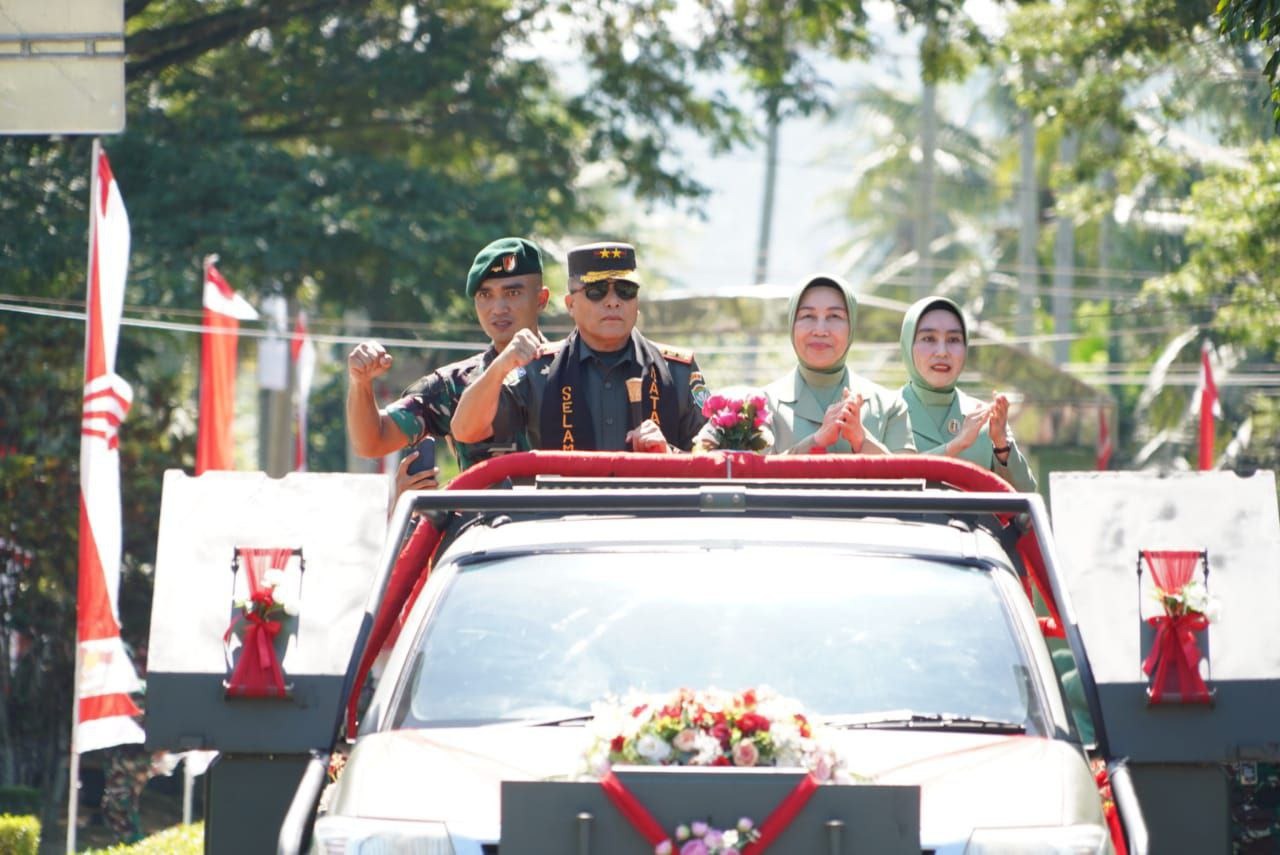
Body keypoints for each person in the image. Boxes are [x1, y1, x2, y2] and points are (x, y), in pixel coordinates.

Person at [452, 241, 710, 452]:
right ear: (570, 304)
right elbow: (466, 431)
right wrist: (500, 367)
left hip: (654, 513)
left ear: (637, 301)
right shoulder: (537, 369)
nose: (612, 302)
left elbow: (718, 457)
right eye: (596, 291)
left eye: (625, 290)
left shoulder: (677, 370)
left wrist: (669, 454)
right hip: (564, 513)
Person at [346, 236, 550, 476]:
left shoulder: (572, 364)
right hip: (484, 514)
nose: (498, 307)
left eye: (513, 292)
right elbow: (372, 441)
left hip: (572, 513)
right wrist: (361, 383)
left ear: (541, 299)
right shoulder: (452, 384)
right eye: (485, 295)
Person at [759, 273, 915, 454]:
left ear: (852, 327)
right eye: (808, 316)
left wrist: (862, 440)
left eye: (834, 316)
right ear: (792, 324)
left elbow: (909, 477)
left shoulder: (891, 406)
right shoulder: (761, 406)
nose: (820, 330)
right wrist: (814, 441)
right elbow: (752, 476)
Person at [898, 295, 1036, 490]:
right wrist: (957, 444)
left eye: (953, 340)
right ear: (906, 345)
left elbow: (1025, 497)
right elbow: (886, 485)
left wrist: (1001, 446)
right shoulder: (885, 411)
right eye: (928, 338)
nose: (942, 352)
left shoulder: (984, 417)